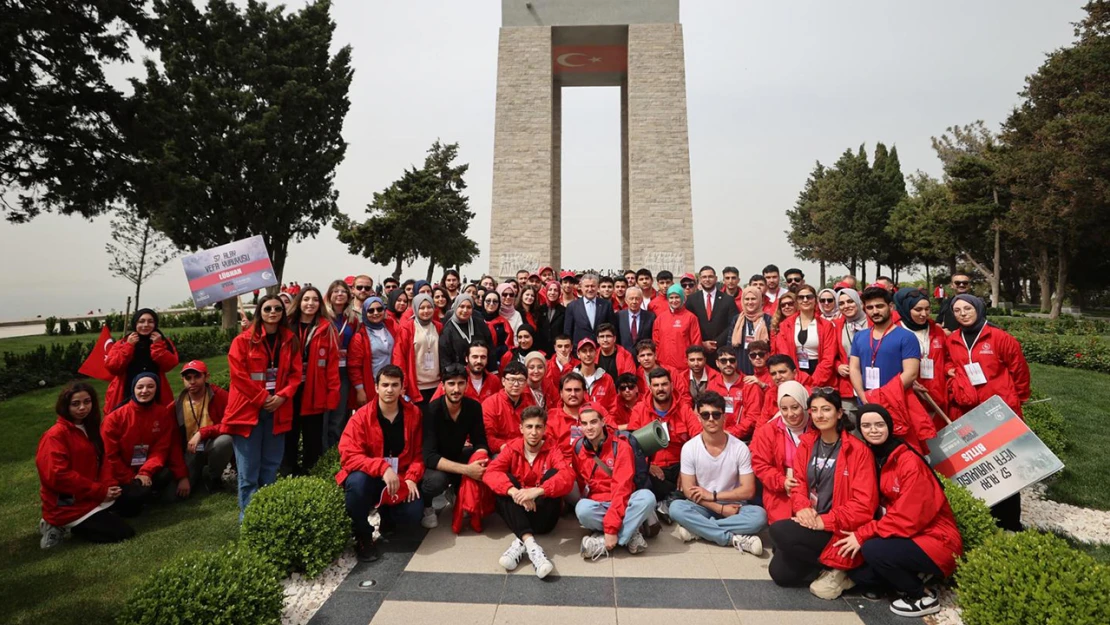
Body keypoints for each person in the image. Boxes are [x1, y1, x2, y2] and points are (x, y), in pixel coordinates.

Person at [834, 405, 962, 618]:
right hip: (905, 534)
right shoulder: (873, 456)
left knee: (874, 551)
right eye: (866, 425)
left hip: (936, 539)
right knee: (862, 575)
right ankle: (914, 574)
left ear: (889, 427)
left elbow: (908, 517)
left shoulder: (908, 461)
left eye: (879, 425)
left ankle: (923, 596)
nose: (873, 430)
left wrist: (863, 534)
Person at [767, 389, 878, 600]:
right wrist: (802, 508)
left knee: (779, 531)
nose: (820, 415)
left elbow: (864, 505)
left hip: (838, 526)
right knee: (780, 575)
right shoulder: (808, 443)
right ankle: (831, 565)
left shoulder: (857, 450)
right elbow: (798, 483)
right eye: (815, 410)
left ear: (839, 413)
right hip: (811, 519)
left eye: (826, 409)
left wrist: (824, 521)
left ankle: (844, 569)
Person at [945, 294, 1030, 531]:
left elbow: (1020, 372)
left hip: (999, 411)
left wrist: (1016, 400)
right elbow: (947, 362)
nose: (962, 313)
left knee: (1006, 466)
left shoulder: (1000, 338)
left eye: (967, 308)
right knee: (979, 466)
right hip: (968, 412)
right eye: (957, 310)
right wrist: (951, 370)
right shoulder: (953, 340)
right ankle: (984, 515)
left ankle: (1010, 522)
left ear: (979, 308)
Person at [224, 295, 303, 517]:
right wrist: (262, 398)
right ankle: (248, 522)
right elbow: (238, 376)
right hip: (248, 411)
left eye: (278, 308)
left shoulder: (290, 340)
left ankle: (266, 519)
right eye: (268, 308)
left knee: (270, 468)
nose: (273, 312)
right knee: (248, 473)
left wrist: (282, 396)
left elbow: (296, 376)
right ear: (260, 311)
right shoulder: (242, 341)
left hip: (277, 410)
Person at [337, 365, 424, 562]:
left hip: (399, 478)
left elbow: (419, 454)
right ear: (376, 387)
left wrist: (412, 478)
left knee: (413, 513)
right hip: (371, 478)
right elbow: (348, 454)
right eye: (385, 385)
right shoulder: (361, 416)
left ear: (403, 388)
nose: (389, 390)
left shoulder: (414, 415)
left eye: (395, 385)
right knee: (356, 483)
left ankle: (388, 517)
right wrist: (382, 467)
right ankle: (363, 535)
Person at [37, 382, 135, 547]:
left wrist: (109, 485)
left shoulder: (91, 428)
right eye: (76, 404)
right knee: (123, 532)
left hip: (92, 493)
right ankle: (56, 525)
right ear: (65, 406)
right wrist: (100, 491)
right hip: (67, 501)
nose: (82, 408)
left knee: (134, 499)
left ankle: (93, 517)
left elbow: (104, 460)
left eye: (87, 402)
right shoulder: (55, 435)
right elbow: (58, 476)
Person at [483, 407, 575, 578]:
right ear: (521, 428)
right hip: (521, 508)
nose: (534, 432)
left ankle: (520, 541)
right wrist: (514, 492)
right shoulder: (512, 448)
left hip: (544, 519)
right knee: (504, 483)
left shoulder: (552, 448)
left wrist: (538, 491)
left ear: (545, 429)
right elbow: (490, 473)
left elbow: (568, 476)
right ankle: (532, 546)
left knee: (554, 475)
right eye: (529, 427)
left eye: (538, 427)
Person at [670, 391, 767, 553]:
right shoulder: (689, 448)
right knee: (676, 508)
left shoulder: (740, 448)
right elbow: (688, 490)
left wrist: (713, 496)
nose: (711, 419)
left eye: (716, 414)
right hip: (703, 505)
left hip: (735, 505)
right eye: (705, 415)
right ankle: (733, 538)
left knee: (760, 516)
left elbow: (749, 491)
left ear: (724, 417)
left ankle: (698, 530)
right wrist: (719, 509)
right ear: (699, 418)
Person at [573, 406, 656, 558]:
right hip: (599, 503)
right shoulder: (579, 447)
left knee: (647, 497)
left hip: (624, 500)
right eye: (584, 424)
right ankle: (630, 533)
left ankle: (605, 541)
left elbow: (622, 488)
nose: (589, 428)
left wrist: (611, 529)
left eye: (593, 422)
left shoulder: (621, 446)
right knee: (582, 509)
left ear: (603, 422)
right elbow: (581, 483)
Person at [103, 374, 189, 512]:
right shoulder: (114, 418)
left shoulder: (162, 414)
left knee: (166, 475)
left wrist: (146, 472)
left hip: (147, 470)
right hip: (121, 473)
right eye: (140, 387)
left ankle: (146, 492)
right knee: (132, 507)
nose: (145, 391)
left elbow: (162, 449)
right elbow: (109, 456)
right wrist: (131, 477)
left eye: (150, 386)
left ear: (157, 389)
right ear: (133, 389)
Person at [421, 363, 489, 529]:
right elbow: (429, 456)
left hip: (457, 454)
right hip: (434, 464)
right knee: (436, 481)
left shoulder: (473, 407)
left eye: (460, 383)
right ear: (442, 386)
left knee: (485, 460)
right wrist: (467, 470)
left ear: (467, 385)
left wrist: (480, 462)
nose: (456, 389)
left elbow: (480, 441)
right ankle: (427, 506)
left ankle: (457, 492)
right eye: (451, 384)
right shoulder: (432, 410)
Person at [629, 368, 702, 513]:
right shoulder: (639, 410)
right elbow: (631, 445)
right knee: (638, 478)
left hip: (679, 466)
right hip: (653, 468)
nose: (660, 389)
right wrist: (647, 466)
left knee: (700, 474)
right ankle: (672, 500)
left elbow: (698, 439)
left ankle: (669, 502)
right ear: (650, 388)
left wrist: (687, 469)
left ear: (672, 385)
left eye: (664, 384)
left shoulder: (684, 409)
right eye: (656, 385)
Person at [285, 286, 340, 475]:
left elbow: (332, 365)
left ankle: (312, 471)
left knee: (313, 435)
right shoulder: (286, 325)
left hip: (314, 389)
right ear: (299, 302)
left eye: (315, 300)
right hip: (289, 389)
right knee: (289, 432)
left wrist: (333, 393)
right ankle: (288, 470)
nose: (310, 303)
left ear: (320, 303)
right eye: (306, 299)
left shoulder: (327, 328)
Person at [749, 381, 810, 525]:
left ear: (804, 404)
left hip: (812, 488)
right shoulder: (768, 431)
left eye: (795, 407)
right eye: (784, 408)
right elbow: (760, 464)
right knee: (783, 534)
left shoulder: (817, 426)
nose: (790, 414)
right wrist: (781, 481)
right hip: (780, 492)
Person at [849, 287, 920, 402]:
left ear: (891, 307)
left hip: (895, 402)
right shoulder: (859, 336)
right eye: (870, 308)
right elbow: (854, 368)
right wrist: (862, 396)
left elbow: (911, 373)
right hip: (866, 402)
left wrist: (883, 396)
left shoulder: (907, 337)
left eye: (880, 306)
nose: (875, 311)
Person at [103, 308, 178, 411]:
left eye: (150, 321)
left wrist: (157, 346)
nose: (146, 325)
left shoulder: (163, 342)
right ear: (135, 324)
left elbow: (170, 364)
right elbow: (113, 367)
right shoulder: (123, 342)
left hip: (156, 392)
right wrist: (129, 346)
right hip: (126, 391)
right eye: (141, 321)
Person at [175, 360, 233, 492]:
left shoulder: (220, 395)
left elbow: (231, 423)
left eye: (197, 376)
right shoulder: (177, 404)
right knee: (173, 496)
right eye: (188, 378)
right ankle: (199, 476)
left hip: (212, 444)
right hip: (190, 450)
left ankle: (214, 477)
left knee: (225, 441)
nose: (192, 381)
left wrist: (202, 433)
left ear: (206, 377)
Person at [895, 288, 949, 423]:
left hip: (937, 397)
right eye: (918, 310)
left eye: (927, 309)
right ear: (906, 309)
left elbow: (947, 357)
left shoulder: (937, 330)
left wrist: (949, 369)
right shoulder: (894, 332)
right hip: (910, 397)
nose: (924, 314)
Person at [774, 284, 837, 387]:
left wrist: (813, 382)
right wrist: (798, 379)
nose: (805, 300)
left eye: (809, 297)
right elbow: (785, 355)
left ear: (815, 300)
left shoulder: (826, 325)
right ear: (797, 301)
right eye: (801, 297)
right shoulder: (785, 325)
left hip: (820, 374)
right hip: (795, 373)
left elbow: (828, 358)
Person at [325, 279, 360, 448]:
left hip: (344, 371)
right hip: (324, 371)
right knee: (324, 413)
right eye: (336, 291)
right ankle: (321, 450)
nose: (340, 294)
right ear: (329, 295)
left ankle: (336, 450)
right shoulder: (322, 316)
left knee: (340, 414)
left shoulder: (352, 319)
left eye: (343, 292)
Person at [348, 296, 398, 408]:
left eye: (379, 309)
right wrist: (360, 390)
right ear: (365, 312)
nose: (376, 313)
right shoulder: (360, 336)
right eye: (371, 310)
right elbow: (354, 367)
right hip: (372, 385)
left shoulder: (391, 327)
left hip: (393, 383)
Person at [394, 293, 443, 405]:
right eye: (422, 308)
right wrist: (403, 384)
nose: (426, 311)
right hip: (416, 386)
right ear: (415, 308)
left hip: (437, 384)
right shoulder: (407, 328)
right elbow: (399, 357)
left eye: (429, 307)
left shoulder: (438, 326)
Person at [717, 285, 772, 376]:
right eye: (747, 299)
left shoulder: (768, 320)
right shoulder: (737, 319)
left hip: (762, 367)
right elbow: (730, 345)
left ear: (759, 300)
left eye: (753, 299)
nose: (750, 302)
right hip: (740, 364)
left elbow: (772, 347)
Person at [482, 361, 535, 455]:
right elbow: (488, 436)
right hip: (502, 450)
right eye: (511, 379)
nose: (516, 384)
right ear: (503, 381)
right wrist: (506, 447)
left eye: (521, 380)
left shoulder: (529, 402)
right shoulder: (491, 403)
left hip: (527, 449)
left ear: (526, 382)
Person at [685, 265, 737, 357]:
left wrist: (716, 343)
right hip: (699, 350)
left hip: (721, 350)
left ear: (716, 278)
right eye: (704, 277)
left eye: (710, 276)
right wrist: (702, 343)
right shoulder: (691, 300)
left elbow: (732, 324)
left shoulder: (728, 300)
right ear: (700, 279)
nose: (707, 279)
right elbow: (688, 324)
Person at [833, 288, 869, 414]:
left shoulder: (873, 322)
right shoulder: (836, 325)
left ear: (859, 302)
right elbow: (830, 354)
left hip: (871, 381)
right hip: (847, 384)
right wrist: (837, 366)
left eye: (850, 301)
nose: (846, 306)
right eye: (841, 303)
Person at [653, 284, 702, 371]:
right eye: (671, 298)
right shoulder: (660, 318)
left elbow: (696, 342)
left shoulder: (691, 317)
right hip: (663, 365)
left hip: (683, 367)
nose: (674, 300)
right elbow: (656, 342)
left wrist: (693, 361)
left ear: (683, 298)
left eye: (677, 297)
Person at [439, 294, 494, 369]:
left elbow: (490, 348)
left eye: (469, 307)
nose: (465, 310)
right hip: (458, 376)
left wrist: (493, 371)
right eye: (461, 306)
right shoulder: (448, 330)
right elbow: (445, 359)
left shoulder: (480, 324)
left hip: (481, 371)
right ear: (455, 307)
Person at [564, 272, 615, 345]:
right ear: (581, 287)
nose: (590, 289)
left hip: (601, 350)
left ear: (597, 287)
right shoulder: (572, 306)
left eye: (593, 286)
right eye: (587, 286)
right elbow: (567, 331)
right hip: (580, 350)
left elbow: (612, 329)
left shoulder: (606, 305)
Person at [573, 337, 618, 416]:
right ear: (578, 354)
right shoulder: (571, 379)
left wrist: (606, 425)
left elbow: (613, 407)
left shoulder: (607, 378)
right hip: (579, 425)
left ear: (596, 353)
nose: (588, 354)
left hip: (603, 425)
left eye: (591, 350)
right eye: (584, 351)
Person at [480, 290, 513, 372]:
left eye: (495, 301)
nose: (491, 304)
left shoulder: (503, 322)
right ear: (483, 302)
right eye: (488, 301)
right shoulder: (476, 321)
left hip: (498, 361)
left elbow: (508, 344)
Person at [617, 287, 654, 351]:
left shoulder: (650, 317)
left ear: (641, 300)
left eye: (637, 298)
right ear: (626, 300)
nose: (634, 302)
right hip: (624, 356)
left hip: (643, 356)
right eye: (631, 299)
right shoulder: (618, 316)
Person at [516, 285, 550, 352]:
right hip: (521, 349)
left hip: (535, 348)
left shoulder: (537, 313)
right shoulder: (517, 313)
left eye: (532, 296)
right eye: (527, 295)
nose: (530, 297)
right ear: (521, 296)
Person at [543, 281, 566, 350]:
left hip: (558, 349)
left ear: (559, 293)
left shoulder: (564, 311)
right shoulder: (540, 309)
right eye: (550, 290)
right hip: (542, 348)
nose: (552, 293)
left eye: (555, 290)